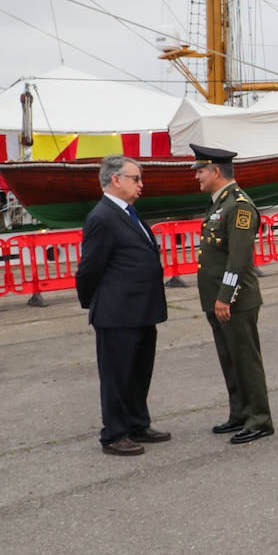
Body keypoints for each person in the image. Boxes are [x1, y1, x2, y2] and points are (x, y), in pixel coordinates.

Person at [74, 155, 170, 456]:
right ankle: (114, 434)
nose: (141, 184)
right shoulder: (101, 217)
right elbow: (89, 269)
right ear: (116, 179)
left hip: (141, 310)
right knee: (116, 377)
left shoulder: (128, 213)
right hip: (117, 314)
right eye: (136, 179)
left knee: (139, 373)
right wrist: (98, 304)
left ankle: (137, 422)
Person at [193, 144, 273, 444]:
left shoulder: (238, 205)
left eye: (200, 170)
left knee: (244, 359)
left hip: (235, 300)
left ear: (215, 171)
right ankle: (240, 413)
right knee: (229, 359)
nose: (197, 176)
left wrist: (225, 296)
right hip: (218, 300)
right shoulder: (220, 203)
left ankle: (260, 419)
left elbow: (238, 259)